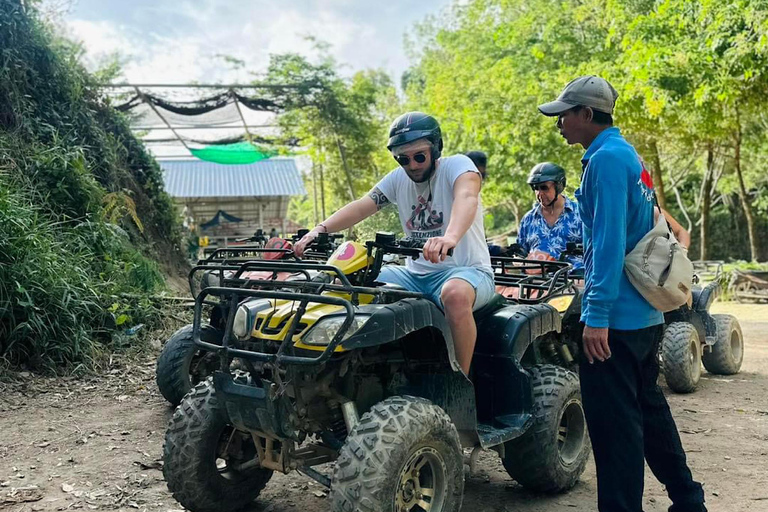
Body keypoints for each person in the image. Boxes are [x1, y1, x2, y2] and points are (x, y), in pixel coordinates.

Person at [538, 76, 706, 512]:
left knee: (616, 432)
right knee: (648, 412)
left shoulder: (607, 161)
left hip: (617, 322)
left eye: (564, 114)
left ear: (586, 115)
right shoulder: (626, 153)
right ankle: (688, 501)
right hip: (643, 317)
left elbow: (608, 243)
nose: (558, 123)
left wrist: (596, 316)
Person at [294, 112, 494, 375]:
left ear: (436, 149)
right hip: (413, 275)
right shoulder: (397, 179)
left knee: (454, 295)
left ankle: (460, 380)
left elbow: (467, 197)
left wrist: (450, 237)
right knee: (348, 281)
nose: (411, 165)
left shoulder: (458, 166)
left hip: (468, 272)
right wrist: (318, 229)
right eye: (403, 159)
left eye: (419, 156)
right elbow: (361, 207)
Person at [517, 162, 583, 269]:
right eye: (536, 188)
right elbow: (521, 254)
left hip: (574, 281)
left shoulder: (580, 215)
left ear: (559, 186)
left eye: (544, 187)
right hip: (537, 281)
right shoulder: (528, 220)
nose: (540, 193)